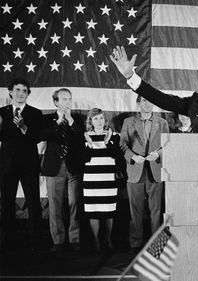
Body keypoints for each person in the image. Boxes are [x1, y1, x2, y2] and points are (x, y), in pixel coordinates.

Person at [120, 96, 169, 253]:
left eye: (151, 101)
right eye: (145, 101)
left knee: (156, 210)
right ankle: (136, 243)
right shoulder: (128, 122)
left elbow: (168, 144)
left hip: (155, 171)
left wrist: (159, 154)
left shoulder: (162, 123)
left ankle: (155, 244)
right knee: (136, 209)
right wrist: (133, 157)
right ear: (139, 103)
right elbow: (122, 144)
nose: (148, 104)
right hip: (135, 170)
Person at [40, 88, 86, 252]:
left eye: (69, 99)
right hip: (54, 167)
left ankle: (75, 239)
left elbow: (82, 138)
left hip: (74, 167)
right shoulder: (47, 119)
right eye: (64, 99)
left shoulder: (78, 119)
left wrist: (70, 121)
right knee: (55, 205)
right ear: (56, 102)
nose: (67, 102)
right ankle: (58, 241)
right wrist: (58, 122)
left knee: (75, 203)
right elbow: (41, 135)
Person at [0, 78, 43, 251]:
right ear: (10, 92)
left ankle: (35, 241)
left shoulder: (35, 113)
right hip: (7, 164)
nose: (20, 93)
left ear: (28, 94)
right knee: (7, 203)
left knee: (33, 202)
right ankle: (8, 241)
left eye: (24, 91)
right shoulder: (1, 112)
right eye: (17, 90)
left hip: (29, 164)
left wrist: (24, 127)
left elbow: (37, 137)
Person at [83, 108, 122, 253]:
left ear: (105, 121)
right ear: (90, 121)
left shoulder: (113, 135)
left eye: (101, 118)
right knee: (93, 211)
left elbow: (117, 155)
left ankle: (109, 240)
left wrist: (108, 142)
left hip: (108, 178)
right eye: (95, 119)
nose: (98, 121)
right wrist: (89, 144)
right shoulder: (85, 136)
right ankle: (96, 241)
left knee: (108, 211)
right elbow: (83, 159)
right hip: (91, 179)